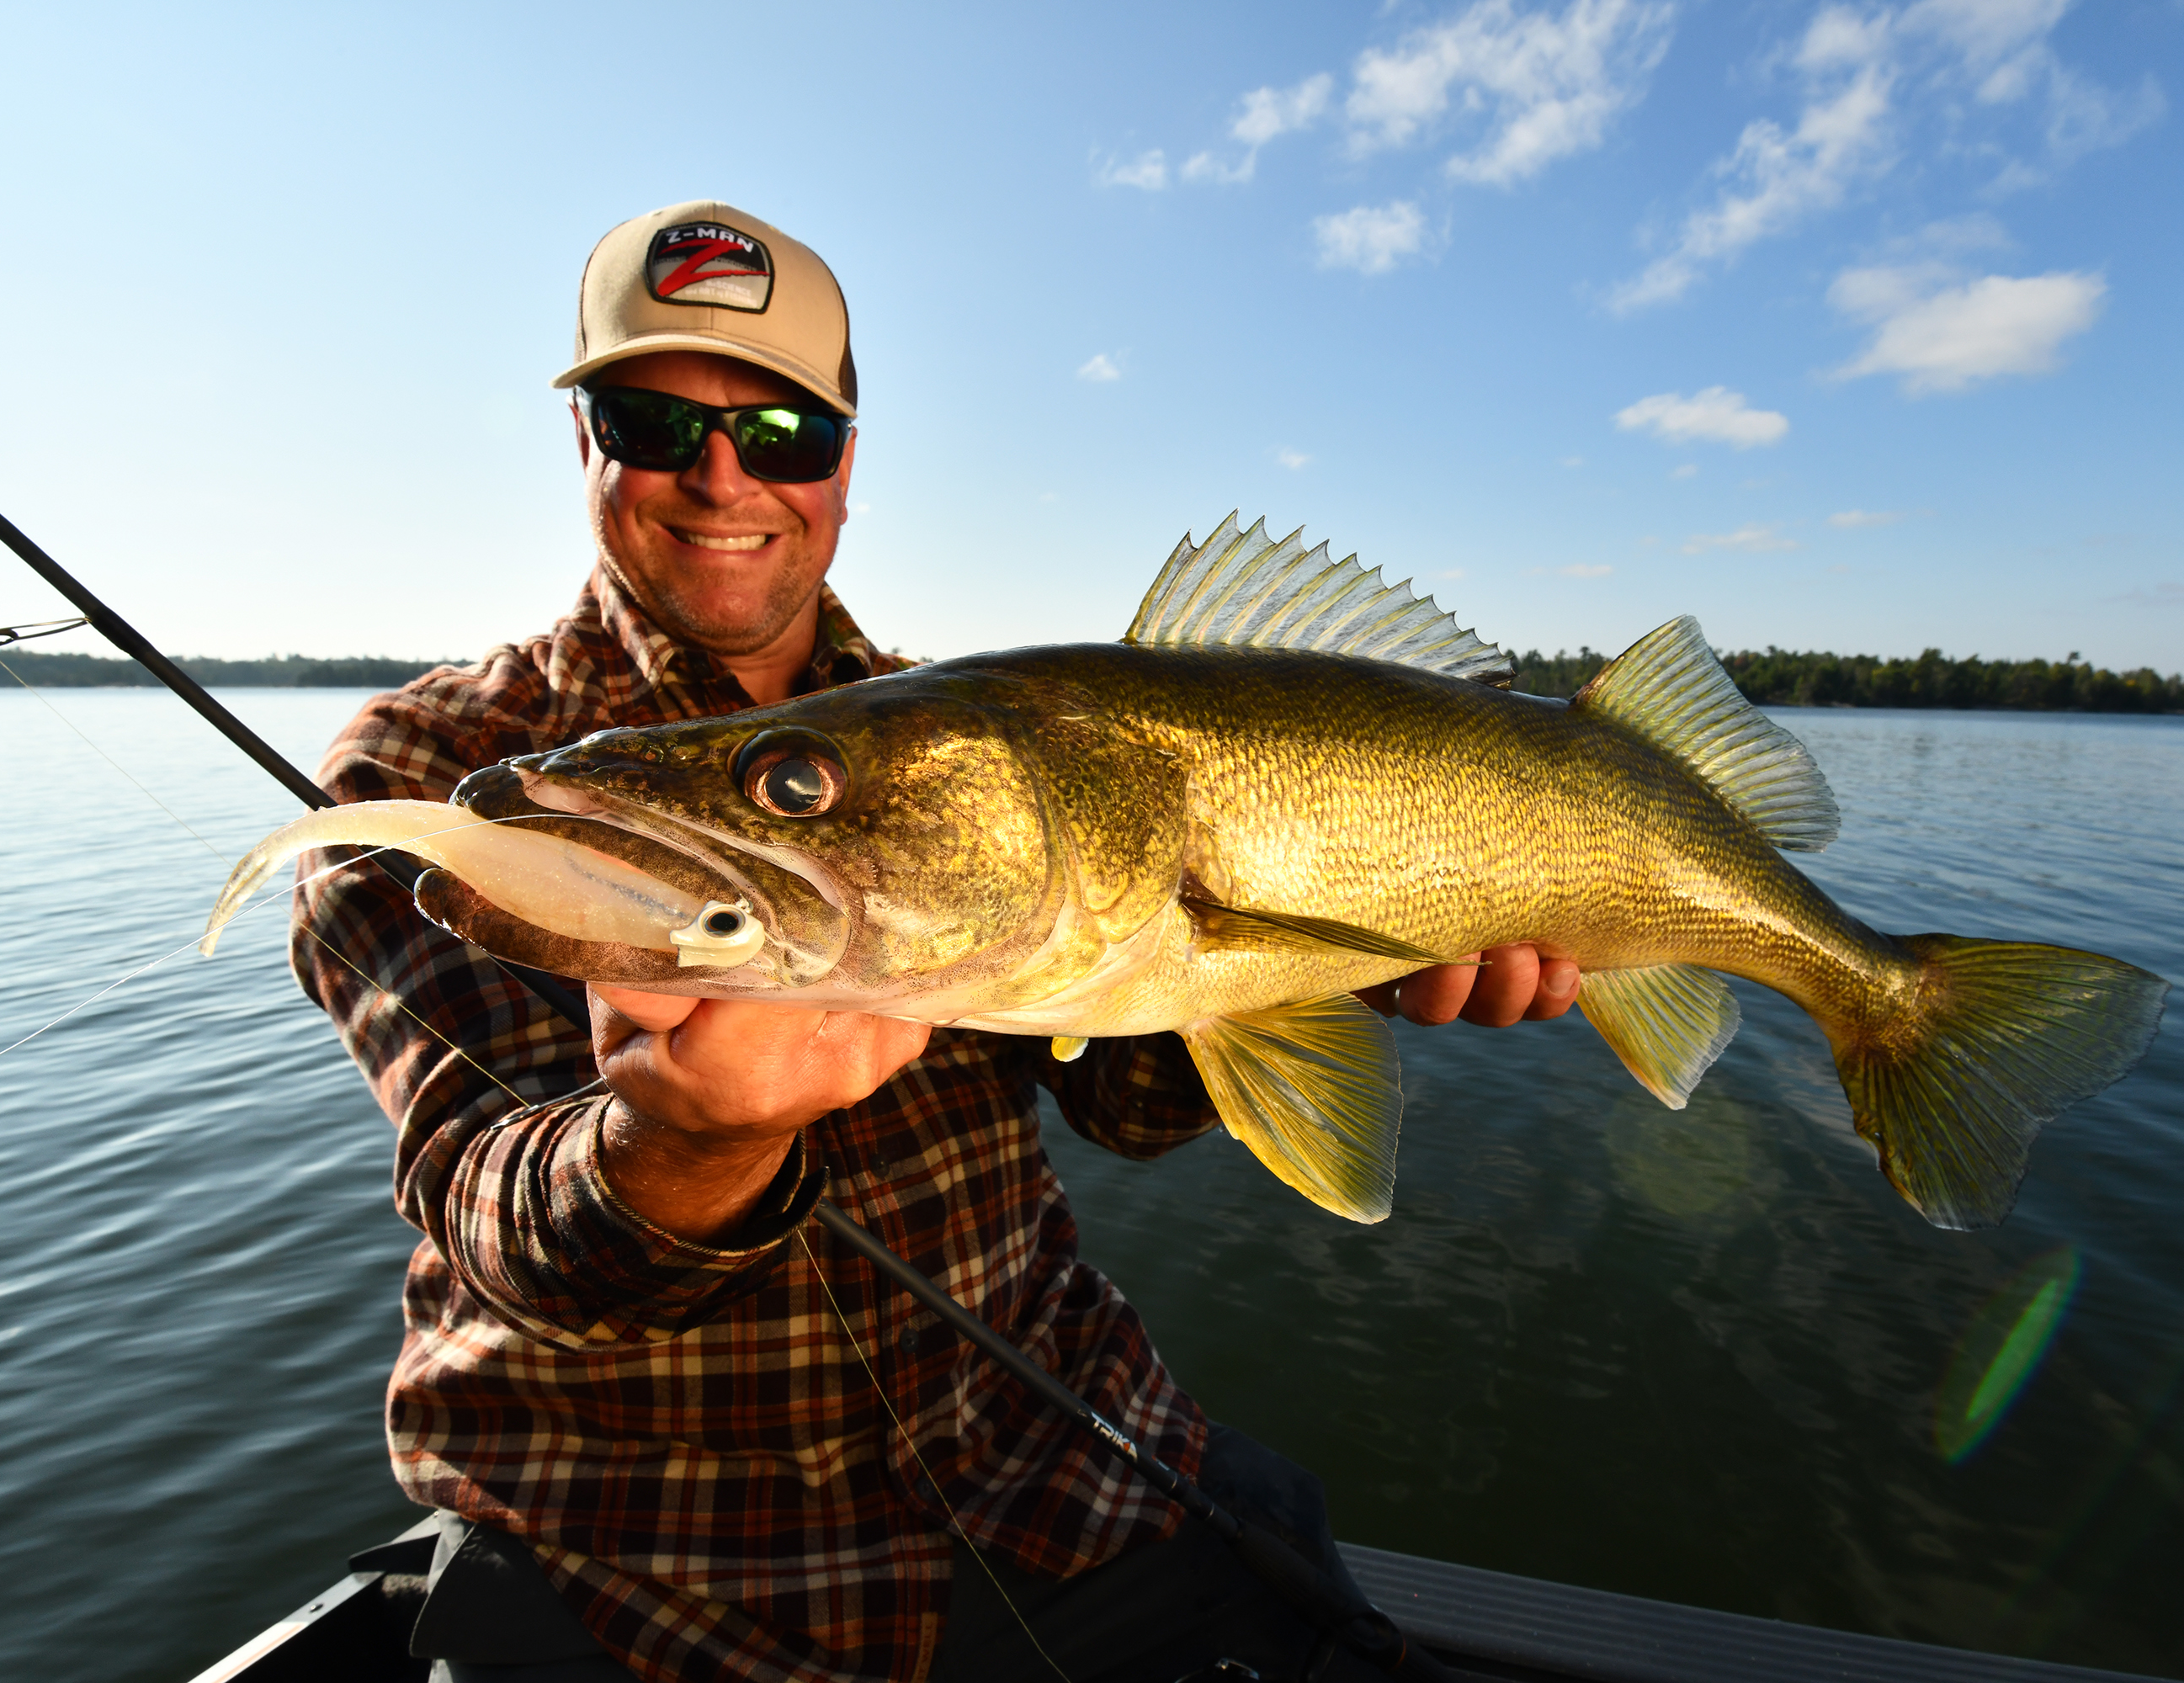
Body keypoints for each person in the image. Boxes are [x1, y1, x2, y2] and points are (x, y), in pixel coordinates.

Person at [295, 199, 1582, 1683]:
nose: (724, 475)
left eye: (781, 429)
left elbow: (1126, 1094)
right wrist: (685, 1146)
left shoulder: (984, 728)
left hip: (1074, 1479)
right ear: (585, 444)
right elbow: (498, 1218)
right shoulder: (449, 777)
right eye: (655, 420)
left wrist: (1350, 966)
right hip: (648, 1583)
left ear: (846, 461)